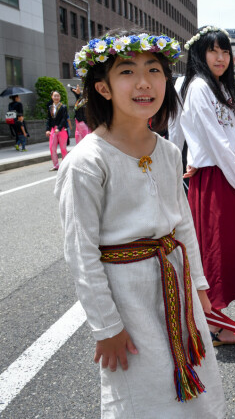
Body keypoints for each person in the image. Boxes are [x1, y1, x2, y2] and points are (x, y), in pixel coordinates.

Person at [55, 30, 225, 417]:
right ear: (103, 87)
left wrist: (198, 284)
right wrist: (106, 327)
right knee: (143, 391)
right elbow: (81, 253)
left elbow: (183, 226)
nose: (144, 82)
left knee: (197, 384)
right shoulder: (86, 162)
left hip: (175, 281)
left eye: (154, 69)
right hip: (127, 295)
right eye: (127, 71)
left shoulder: (166, 151)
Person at [179, 26, 235, 346]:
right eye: (214, 51)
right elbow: (216, 144)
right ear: (200, 53)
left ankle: (213, 318)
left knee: (225, 251)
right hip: (216, 177)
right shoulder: (199, 87)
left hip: (227, 176)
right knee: (214, 253)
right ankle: (213, 324)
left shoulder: (221, 88)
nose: (220, 58)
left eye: (225, 52)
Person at [46, 90, 69, 171]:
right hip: (53, 129)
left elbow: (64, 118)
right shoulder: (50, 107)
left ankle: (65, 165)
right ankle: (56, 165)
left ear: (60, 97)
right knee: (52, 147)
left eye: (58, 96)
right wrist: (47, 129)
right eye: (54, 96)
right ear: (52, 97)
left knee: (63, 148)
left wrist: (59, 128)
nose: (56, 97)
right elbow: (49, 119)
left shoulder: (63, 107)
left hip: (61, 129)